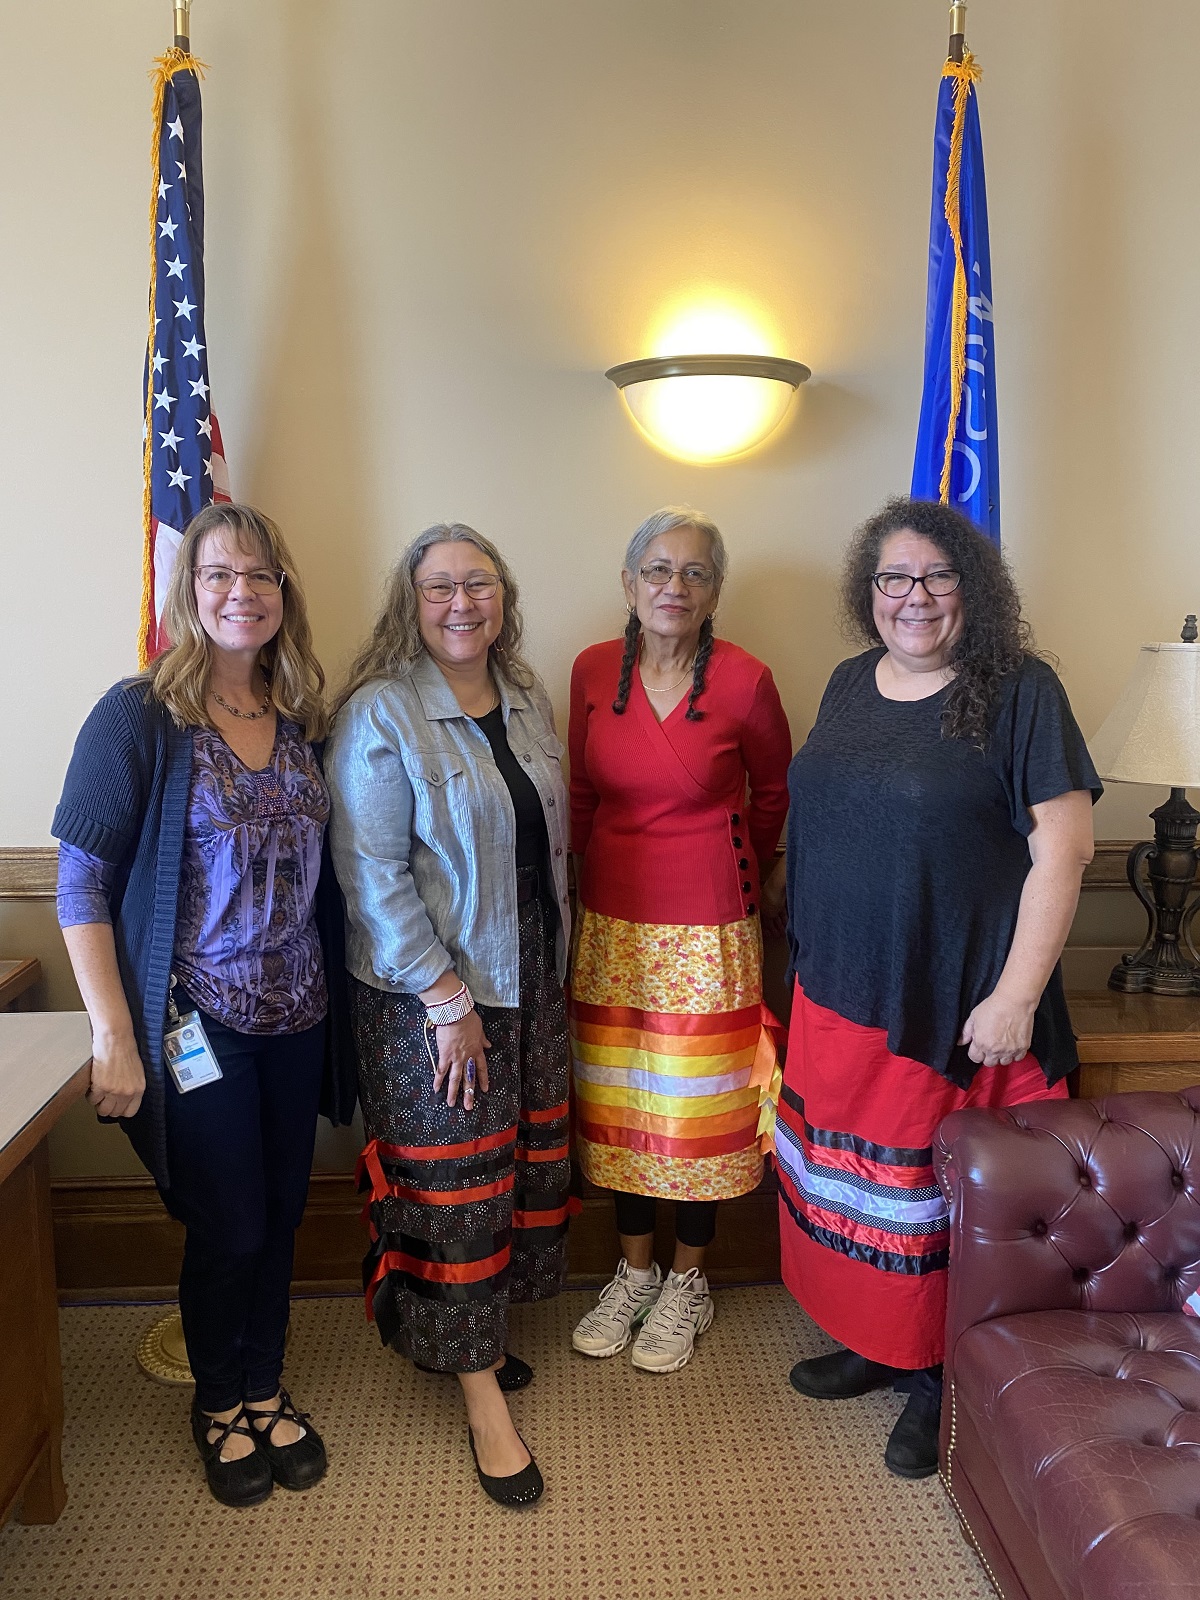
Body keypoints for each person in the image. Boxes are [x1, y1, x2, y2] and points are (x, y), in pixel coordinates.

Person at [777, 496, 1100, 1478]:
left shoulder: (1019, 691)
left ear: (973, 589)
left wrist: (1013, 996)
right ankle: (883, 1347)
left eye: (936, 577)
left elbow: (1067, 850)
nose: (912, 598)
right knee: (856, 1195)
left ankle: (937, 1382)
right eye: (892, 579)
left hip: (952, 1004)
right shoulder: (844, 682)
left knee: (936, 1206)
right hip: (839, 990)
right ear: (867, 591)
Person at [53, 504, 344, 1508]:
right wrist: (112, 1031)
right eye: (220, 574)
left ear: (283, 595)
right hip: (194, 1026)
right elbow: (78, 885)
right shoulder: (139, 716)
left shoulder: (304, 719)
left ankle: (266, 1384)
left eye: (261, 575)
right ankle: (218, 1398)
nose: (241, 592)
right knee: (228, 1223)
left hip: (299, 1018)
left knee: (282, 1212)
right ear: (188, 591)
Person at [326, 522, 572, 1509]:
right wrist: (444, 998)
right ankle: (480, 1400)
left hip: (533, 979)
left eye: (479, 583)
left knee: (512, 1171)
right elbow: (373, 879)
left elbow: (548, 851)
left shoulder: (528, 698)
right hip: (433, 995)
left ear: (503, 596)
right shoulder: (382, 713)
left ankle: (467, 1339)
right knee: (455, 1191)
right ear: (411, 602)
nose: (462, 601)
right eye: (440, 587)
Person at [568, 506, 791, 1373]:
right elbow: (580, 800)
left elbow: (771, 794)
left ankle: (689, 1280)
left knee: (696, 1115)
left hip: (710, 924)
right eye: (657, 570)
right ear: (629, 584)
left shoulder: (745, 679)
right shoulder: (591, 670)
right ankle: (631, 1271)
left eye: (694, 573)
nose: (674, 586)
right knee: (621, 1103)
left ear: (714, 592)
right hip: (611, 921)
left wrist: (757, 881)